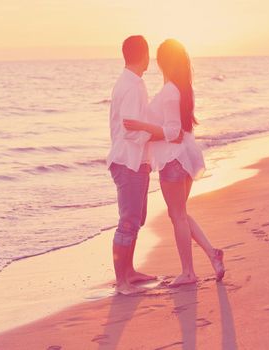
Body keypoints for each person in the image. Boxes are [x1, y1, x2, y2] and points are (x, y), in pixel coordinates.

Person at [123, 39, 225, 287]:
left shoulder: (170, 92)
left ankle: (188, 272)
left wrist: (141, 126)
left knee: (177, 215)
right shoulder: (180, 88)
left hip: (174, 159)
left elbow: (173, 131)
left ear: (164, 62)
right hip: (184, 156)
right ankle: (213, 254)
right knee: (180, 213)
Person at [107, 35, 162, 295]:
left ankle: (129, 272)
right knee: (128, 221)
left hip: (135, 160)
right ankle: (121, 281)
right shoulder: (133, 85)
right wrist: (154, 132)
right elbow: (130, 128)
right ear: (145, 55)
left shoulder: (130, 82)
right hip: (128, 161)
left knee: (136, 219)